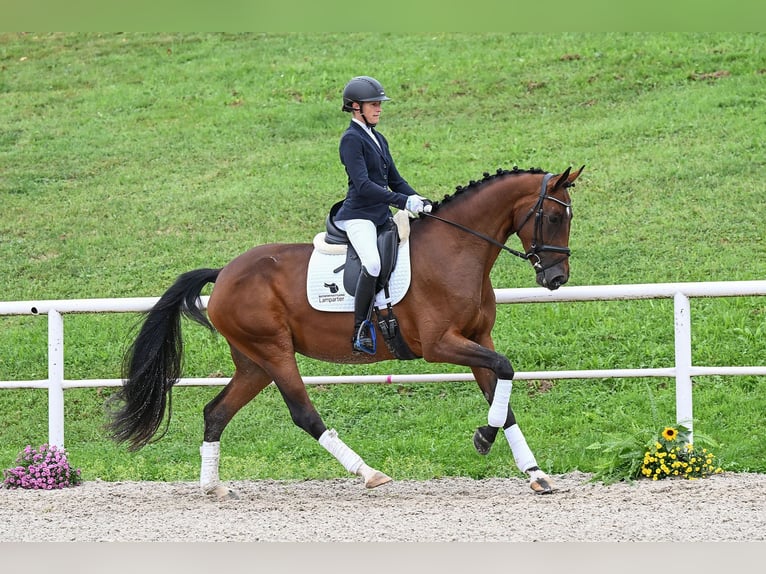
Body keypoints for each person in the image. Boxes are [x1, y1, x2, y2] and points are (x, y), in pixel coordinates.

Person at [333, 75, 430, 354]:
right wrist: (403, 202)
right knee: (373, 264)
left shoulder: (378, 138)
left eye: (379, 104)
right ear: (355, 107)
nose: (378, 109)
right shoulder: (351, 140)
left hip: (379, 215)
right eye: (373, 104)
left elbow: (395, 180)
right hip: (358, 215)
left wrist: (419, 199)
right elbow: (364, 186)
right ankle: (360, 329)